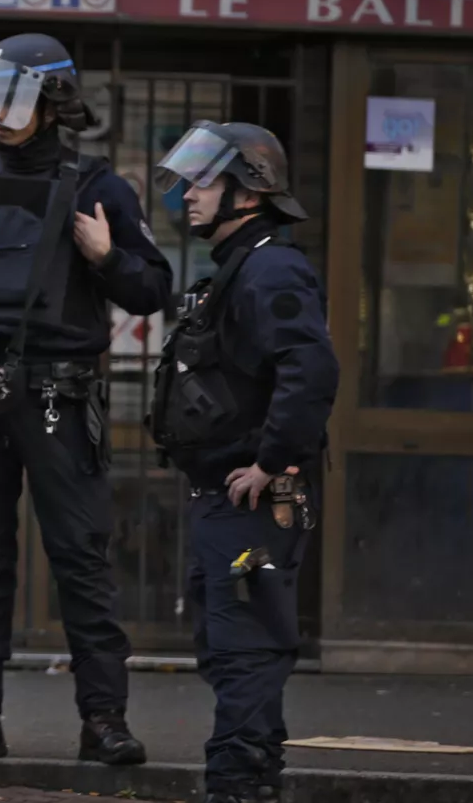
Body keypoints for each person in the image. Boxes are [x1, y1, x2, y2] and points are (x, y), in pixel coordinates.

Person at [0, 33, 172, 766]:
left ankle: (104, 719)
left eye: (13, 100)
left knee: (80, 559)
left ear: (53, 103)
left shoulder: (97, 186)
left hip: (57, 395)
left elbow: (153, 288)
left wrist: (106, 256)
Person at [150, 122, 335, 803]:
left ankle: (237, 786)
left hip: (254, 501)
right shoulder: (241, 267)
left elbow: (310, 370)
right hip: (226, 498)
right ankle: (249, 781)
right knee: (232, 649)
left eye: (204, 182)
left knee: (245, 649)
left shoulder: (270, 268)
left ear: (248, 192)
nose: (189, 196)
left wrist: (271, 462)